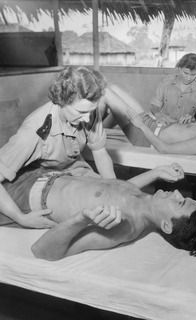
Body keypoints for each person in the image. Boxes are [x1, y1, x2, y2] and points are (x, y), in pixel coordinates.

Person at [0, 66, 117, 229]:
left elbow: (100, 153)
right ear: (61, 102)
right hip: (33, 176)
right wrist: (21, 218)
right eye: (81, 112)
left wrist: (114, 190)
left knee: (105, 199)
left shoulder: (88, 111)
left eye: (91, 111)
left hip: (72, 167)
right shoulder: (33, 132)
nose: (88, 118)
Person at [27, 162, 196, 261]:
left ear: (166, 225)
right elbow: (120, 190)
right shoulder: (142, 200)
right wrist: (156, 172)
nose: (177, 192)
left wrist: (80, 219)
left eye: (180, 202)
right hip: (43, 172)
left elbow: (42, 251)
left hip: (24, 193)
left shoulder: (124, 227)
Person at [101, 83, 196, 155]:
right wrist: (179, 121)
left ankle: (89, 134)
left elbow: (164, 149)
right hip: (150, 122)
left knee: (104, 92)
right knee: (112, 88)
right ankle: (102, 130)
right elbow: (176, 133)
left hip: (142, 135)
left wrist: (141, 126)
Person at [150, 53, 196, 131]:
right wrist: (159, 115)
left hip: (185, 129)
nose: (188, 78)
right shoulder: (166, 83)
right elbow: (154, 105)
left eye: (193, 74)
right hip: (164, 127)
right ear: (180, 68)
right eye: (186, 73)